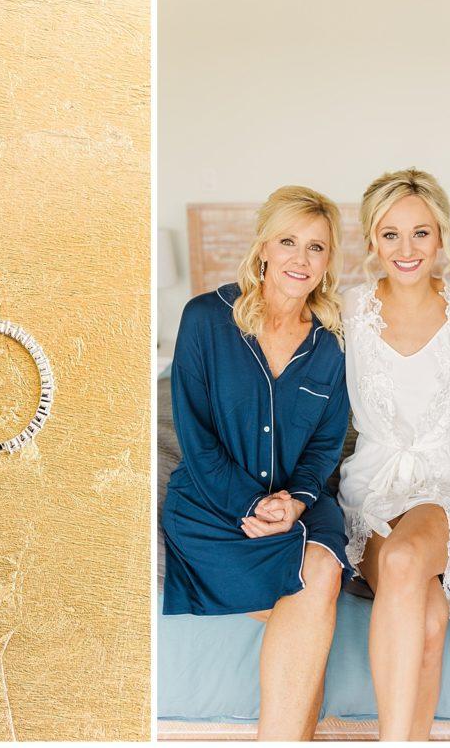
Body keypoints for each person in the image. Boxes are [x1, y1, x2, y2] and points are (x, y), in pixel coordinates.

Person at [162, 185, 352, 740]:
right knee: (317, 600)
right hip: (212, 507)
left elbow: (325, 446)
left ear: (328, 260)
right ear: (263, 247)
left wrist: (294, 501)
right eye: (288, 241)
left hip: (301, 505)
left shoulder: (335, 342)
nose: (301, 258)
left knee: (319, 572)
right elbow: (194, 437)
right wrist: (250, 503)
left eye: (316, 247)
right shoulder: (205, 319)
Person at [338, 168, 450, 740]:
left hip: (447, 478)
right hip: (373, 483)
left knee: (404, 563)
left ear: (441, 236)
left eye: (421, 233)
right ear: (371, 239)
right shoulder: (348, 309)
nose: (407, 250)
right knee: (425, 615)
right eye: (391, 234)